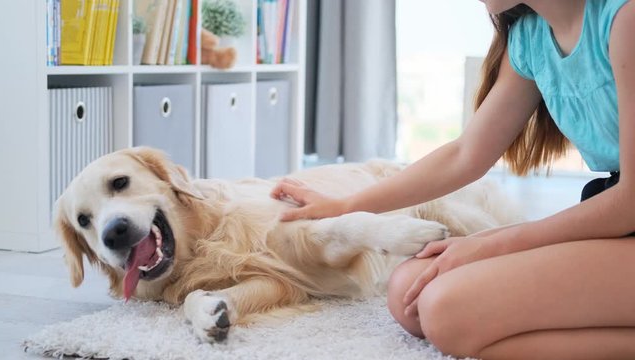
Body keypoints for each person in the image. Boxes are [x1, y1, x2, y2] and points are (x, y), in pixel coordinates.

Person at [270, 0, 635, 359]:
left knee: (448, 313)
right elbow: (465, 155)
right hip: (617, 220)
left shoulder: (624, 18)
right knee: (408, 292)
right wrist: (347, 205)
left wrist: (493, 244)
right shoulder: (531, 37)